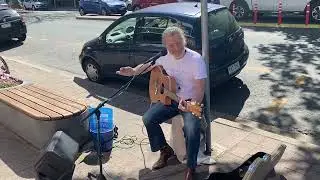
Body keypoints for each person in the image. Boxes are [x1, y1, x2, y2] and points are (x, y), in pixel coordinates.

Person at [116, 26, 207, 180]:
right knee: (148, 119)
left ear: (184, 41)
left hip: (190, 102)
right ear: (165, 45)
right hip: (170, 99)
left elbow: (200, 89)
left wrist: (193, 104)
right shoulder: (163, 56)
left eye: (179, 43)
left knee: (192, 129)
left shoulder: (196, 60)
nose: (176, 47)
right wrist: (132, 71)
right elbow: (146, 66)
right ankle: (165, 150)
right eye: (171, 45)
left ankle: (191, 167)